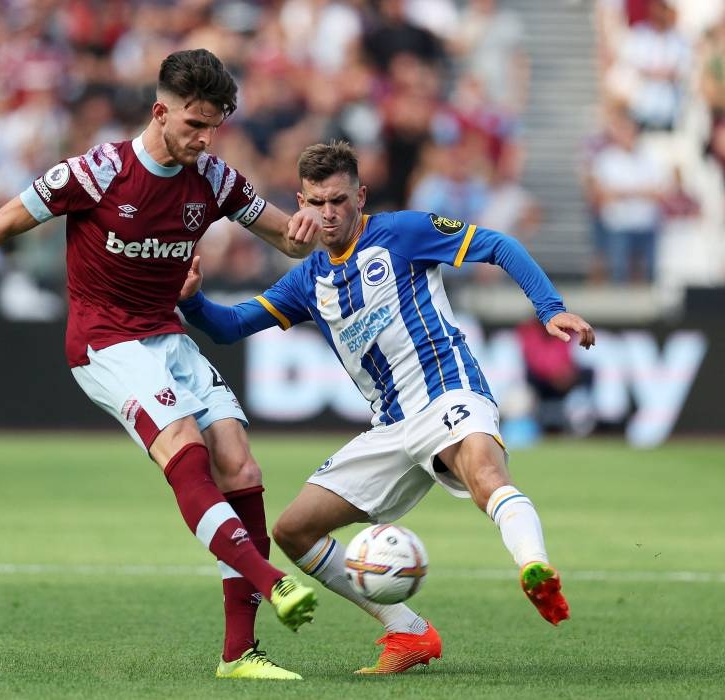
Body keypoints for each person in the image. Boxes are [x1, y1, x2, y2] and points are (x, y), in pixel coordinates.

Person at [0, 49, 321, 681]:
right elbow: (3, 220)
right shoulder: (97, 172)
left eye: (213, 127)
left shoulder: (214, 178)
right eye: (194, 125)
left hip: (165, 334)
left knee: (240, 463)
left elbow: (284, 236)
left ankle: (239, 656)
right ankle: (269, 580)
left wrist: (312, 224)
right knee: (187, 452)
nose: (203, 139)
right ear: (160, 111)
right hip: (104, 342)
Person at [177, 140, 595, 674]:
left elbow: (499, 246)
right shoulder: (308, 280)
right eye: (315, 202)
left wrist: (551, 309)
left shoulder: (402, 232)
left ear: (360, 195)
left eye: (338, 201)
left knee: (485, 472)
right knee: (293, 531)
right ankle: (409, 632)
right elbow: (231, 326)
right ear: (300, 203)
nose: (328, 214)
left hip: (449, 391)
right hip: (391, 427)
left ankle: (535, 567)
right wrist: (192, 300)